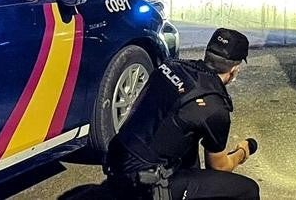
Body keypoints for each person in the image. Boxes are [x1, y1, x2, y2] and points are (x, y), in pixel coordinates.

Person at [104, 28, 261, 200]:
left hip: (117, 159)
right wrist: (243, 151)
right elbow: (219, 167)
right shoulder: (214, 107)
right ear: (234, 70)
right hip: (145, 184)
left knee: (190, 150)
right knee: (248, 190)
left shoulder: (170, 66)